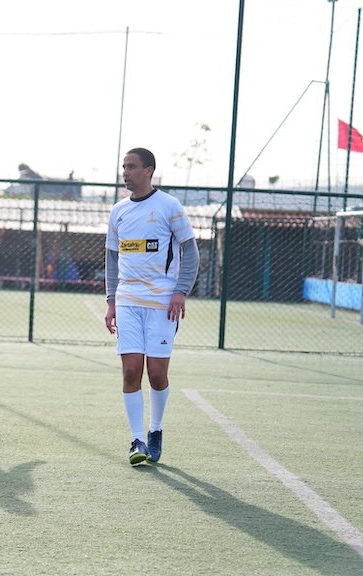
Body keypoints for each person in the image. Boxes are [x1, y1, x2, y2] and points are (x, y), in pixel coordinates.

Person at [104, 148, 199, 466]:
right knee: (131, 370)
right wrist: (111, 301)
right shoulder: (118, 211)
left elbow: (191, 252)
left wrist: (180, 291)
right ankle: (137, 440)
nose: (125, 172)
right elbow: (111, 258)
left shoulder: (169, 206)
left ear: (149, 170)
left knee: (157, 374)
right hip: (128, 301)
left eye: (132, 167)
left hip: (162, 303)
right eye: (124, 167)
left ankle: (155, 429)